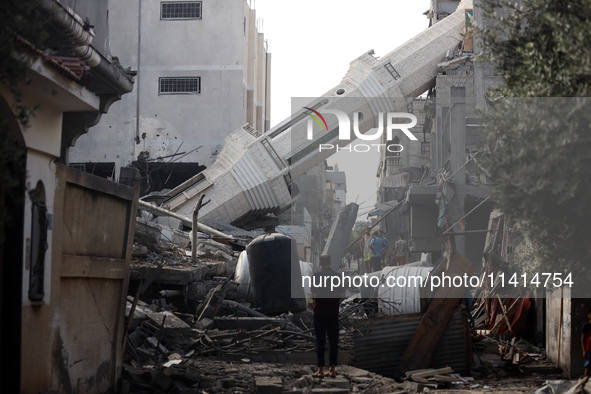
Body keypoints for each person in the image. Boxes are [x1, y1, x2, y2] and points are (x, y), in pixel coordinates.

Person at [311, 254, 345, 378]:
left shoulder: (316, 276)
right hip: (333, 312)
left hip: (319, 312)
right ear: (330, 262)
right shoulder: (338, 276)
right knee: (333, 341)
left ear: (320, 262)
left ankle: (320, 370)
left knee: (320, 341)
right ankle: (332, 369)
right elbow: (342, 294)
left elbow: (314, 295)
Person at [582, 308, 591, 377]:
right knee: (588, 367)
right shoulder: (586, 326)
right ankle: (585, 384)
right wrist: (584, 351)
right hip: (589, 350)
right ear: (588, 315)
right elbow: (583, 339)